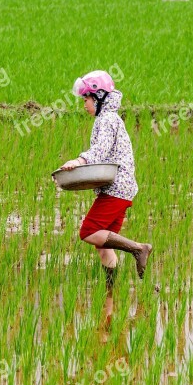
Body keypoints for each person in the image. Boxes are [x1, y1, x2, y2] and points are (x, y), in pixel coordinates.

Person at [60, 70, 152, 288]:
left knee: (89, 232)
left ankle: (139, 248)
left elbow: (100, 151)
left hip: (116, 188)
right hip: (120, 188)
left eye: (86, 99)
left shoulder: (108, 119)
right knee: (103, 247)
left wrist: (78, 162)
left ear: (99, 97)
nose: (84, 104)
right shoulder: (107, 119)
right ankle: (111, 292)